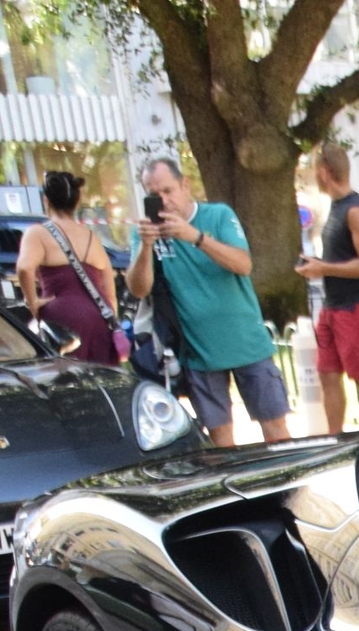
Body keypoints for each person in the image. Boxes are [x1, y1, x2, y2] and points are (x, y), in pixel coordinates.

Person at [126, 157, 291, 447]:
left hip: (247, 345)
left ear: (185, 185)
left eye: (168, 191)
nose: (163, 201)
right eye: (154, 195)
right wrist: (146, 248)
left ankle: (289, 491)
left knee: (276, 431)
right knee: (221, 443)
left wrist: (195, 237)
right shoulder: (145, 233)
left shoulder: (217, 216)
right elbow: (139, 289)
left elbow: (243, 264)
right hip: (199, 353)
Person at [294, 144, 359, 433]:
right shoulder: (336, 207)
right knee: (327, 374)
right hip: (333, 306)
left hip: (355, 306)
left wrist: (325, 269)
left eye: (314, 173)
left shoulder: (355, 210)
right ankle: (335, 441)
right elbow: (345, 258)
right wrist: (318, 264)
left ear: (324, 172)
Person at [16, 171, 120, 365]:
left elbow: (24, 268)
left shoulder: (37, 233)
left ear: (45, 200)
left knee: (67, 383)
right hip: (99, 317)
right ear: (76, 202)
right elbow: (110, 290)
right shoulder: (92, 237)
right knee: (103, 382)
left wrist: (32, 302)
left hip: (62, 320)